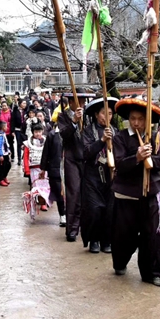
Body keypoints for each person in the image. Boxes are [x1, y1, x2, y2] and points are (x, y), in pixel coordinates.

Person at [110, 98, 160, 288]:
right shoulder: (120, 137)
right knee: (124, 234)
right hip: (127, 194)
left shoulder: (155, 137)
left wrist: (150, 157)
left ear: (148, 120)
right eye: (133, 118)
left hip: (151, 192)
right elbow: (118, 163)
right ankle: (120, 262)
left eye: (141, 119)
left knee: (153, 235)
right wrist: (136, 157)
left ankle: (154, 273)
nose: (136, 123)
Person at [81, 96, 119, 254]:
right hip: (93, 176)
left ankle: (106, 240)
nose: (107, 117)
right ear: (97, 114)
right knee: (95, 210)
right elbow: (86, 152)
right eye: (104, 113)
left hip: (110, 177)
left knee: (109, 211)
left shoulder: (115, 131)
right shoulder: (88, 131)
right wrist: (102, 140)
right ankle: (93, 240)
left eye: (110, 113)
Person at [57, 91, 94, 242]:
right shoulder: (63, 116)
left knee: (87, 194)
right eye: (79, 102)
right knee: (73, 193)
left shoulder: (88, 116)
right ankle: (72, 229)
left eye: (84, 102)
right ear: (71, 102)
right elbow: (64, 134)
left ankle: (86, 228)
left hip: (87, 157)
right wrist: (73, 120)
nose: (82, 105)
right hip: (71, 158)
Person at [40, 110, 66, 225]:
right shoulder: (51, 135)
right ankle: (62, 215)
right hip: (55, 169)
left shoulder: (71, 133)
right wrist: (43, 169)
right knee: (59, 193)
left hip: (68, 168)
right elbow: (46, 153)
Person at [0, 120, 12, 186]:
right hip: (1, 154)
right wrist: (0, 155)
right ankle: (1, 180)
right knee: (2, 167)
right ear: (3, 127)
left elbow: (6, 144)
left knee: (8, 165)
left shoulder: (3, 134)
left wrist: (9, 151)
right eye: (6, 126)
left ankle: (4, 176)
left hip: (6, 153)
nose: (7, 128)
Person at [12, 99, 26, 165]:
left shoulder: (26, 111)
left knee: (26, 143)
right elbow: (13, 121)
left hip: (25, 130)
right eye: (23, 103)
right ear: (20, 104)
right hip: (18, 129)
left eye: (25, 103)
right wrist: (12, 130)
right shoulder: (15, 111)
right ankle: (19, 159)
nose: (24, 105)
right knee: (19, 144)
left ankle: (25, 157)